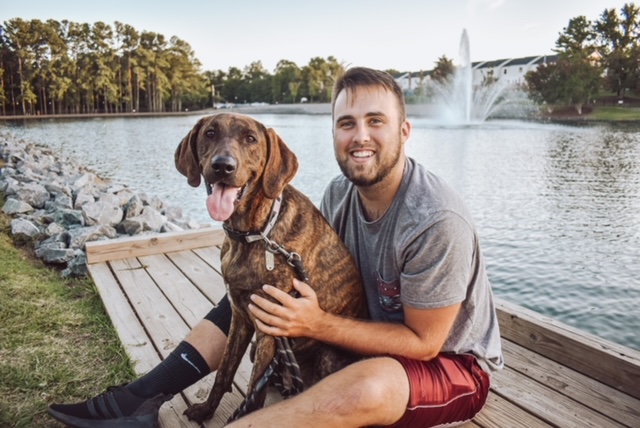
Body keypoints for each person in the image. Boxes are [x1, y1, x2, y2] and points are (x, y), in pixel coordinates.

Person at [49, 67, 503, 428]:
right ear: (335, 134)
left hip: (449, 366)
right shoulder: (339, 194)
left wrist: (318, 323)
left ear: (404, 132)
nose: (360, 136)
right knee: (253, 292)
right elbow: (320, 280)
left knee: (367, 386)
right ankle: (143, 395)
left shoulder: (436, 220)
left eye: (375, 122)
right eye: (347, 123)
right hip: (359, 336)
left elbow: (424, 344)